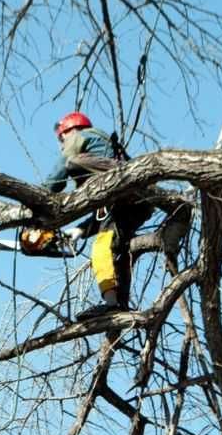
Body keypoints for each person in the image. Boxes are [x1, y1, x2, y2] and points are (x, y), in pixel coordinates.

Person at [43, 111, 153, 320]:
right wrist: (80, 230)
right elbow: (102, 215)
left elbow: (56, 181)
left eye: (61, 137)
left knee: (102, 246)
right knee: (116, 251)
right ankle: (118, 305)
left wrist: (40, 198)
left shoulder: (79, 137)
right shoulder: (101, 156)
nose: (62, 143)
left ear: (70, 130)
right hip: (133, 205)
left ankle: (111, 305)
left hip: (120, 189)